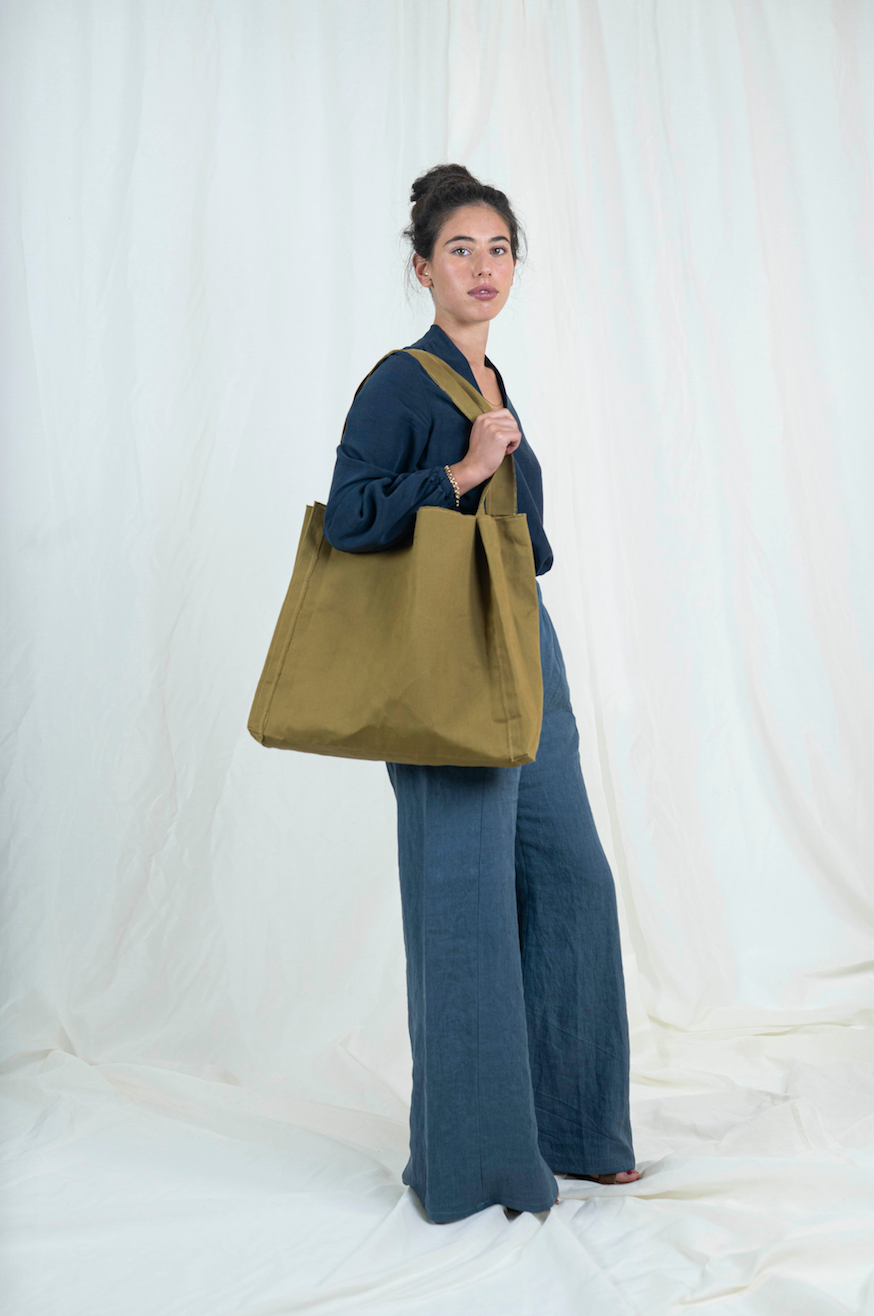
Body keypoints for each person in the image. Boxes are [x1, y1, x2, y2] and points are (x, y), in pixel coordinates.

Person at [323, 163, 640, 1223]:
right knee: (462, 901)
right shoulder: (398, 381)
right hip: (443, 656)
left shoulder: (496, 382)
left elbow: (529, 542)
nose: (483, 266)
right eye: (460, 249)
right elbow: (352, 514)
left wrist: (495, 464)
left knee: (572, 877)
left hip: (520, 642)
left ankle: (580, 1131)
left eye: (498, 248)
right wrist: (458, 474)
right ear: (423, 268)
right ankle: (475, 1164)